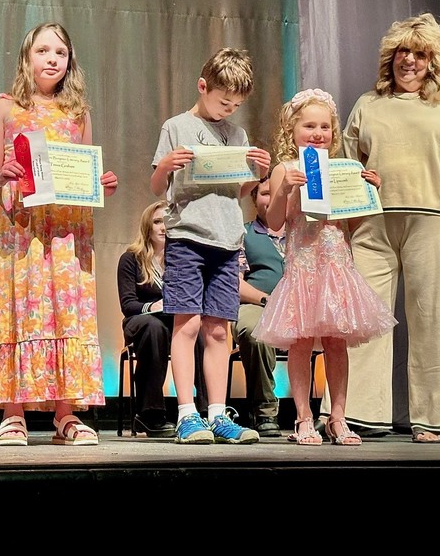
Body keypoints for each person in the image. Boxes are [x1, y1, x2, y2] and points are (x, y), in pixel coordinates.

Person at [320, 13, 440, 443]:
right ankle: (355, 414)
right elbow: (346, 166)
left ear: (433, 62)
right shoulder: (367, 104)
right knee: (362, 318)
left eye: (418, 53)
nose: (407, 60)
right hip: (373, 223)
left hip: (434, 221)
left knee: (435, 319)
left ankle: (434, 418)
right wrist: (344, 223)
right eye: (401, 52)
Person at [0, 22, 118, 447]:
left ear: (69, 61)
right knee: (20, 309)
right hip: (20, 229)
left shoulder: (78, 114)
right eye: (42, 51)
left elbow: (86, 171)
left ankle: (66, 413)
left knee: (65, 311)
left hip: (66, 234)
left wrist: (101, 183)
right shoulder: (5, 109)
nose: (52, 58)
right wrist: (1, 173)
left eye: (60, 52)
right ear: (27, 58)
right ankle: (13, 412)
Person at [254, 88, 397, 445]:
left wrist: (368, 195)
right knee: (301, 343)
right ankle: (303, 417)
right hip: (303, 267)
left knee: (336, 343)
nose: (318, 133)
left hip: (336, 266)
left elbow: (355, 224)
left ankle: (337, 418)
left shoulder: (342, 170)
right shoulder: (284, 169)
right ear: (292, 130)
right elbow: (273, 223)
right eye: (309, 126)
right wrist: (285, 189)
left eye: (325, 127)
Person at [151, 47, 270, 445]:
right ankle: (187, 414)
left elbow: (238, 192)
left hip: (226, 239)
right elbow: (156, 187)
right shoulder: (176, 126)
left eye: (235, 105)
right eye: (222, 101)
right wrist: (167, 165)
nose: (227, 110)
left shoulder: (237, 135)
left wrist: (257, 173)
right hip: (187, 236)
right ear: (203, 87)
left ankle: (218, 414)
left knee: (220, 331)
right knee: (187, 324)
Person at [118, 200, 208, 438]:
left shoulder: (183, 261)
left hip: (174, 319)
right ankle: (150, 414)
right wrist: (153, 305)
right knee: (153, 327)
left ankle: (203, 411)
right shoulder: (131, 259)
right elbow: (128, 305)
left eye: (168, 222)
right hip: (141, 320)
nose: (163, 227)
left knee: (196, 329)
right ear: (148, 226)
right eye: (157, 221)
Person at [231, 175, 284, 437]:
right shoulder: (243, 233)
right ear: (254, 199)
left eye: (277, 192)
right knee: (254, 331)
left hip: (305, 307)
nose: (272, 198)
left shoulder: (305, 230)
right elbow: (235, 283)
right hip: (260, 303)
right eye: (265, 193)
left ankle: (335, 415)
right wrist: (267, 300)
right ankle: (264, 411)